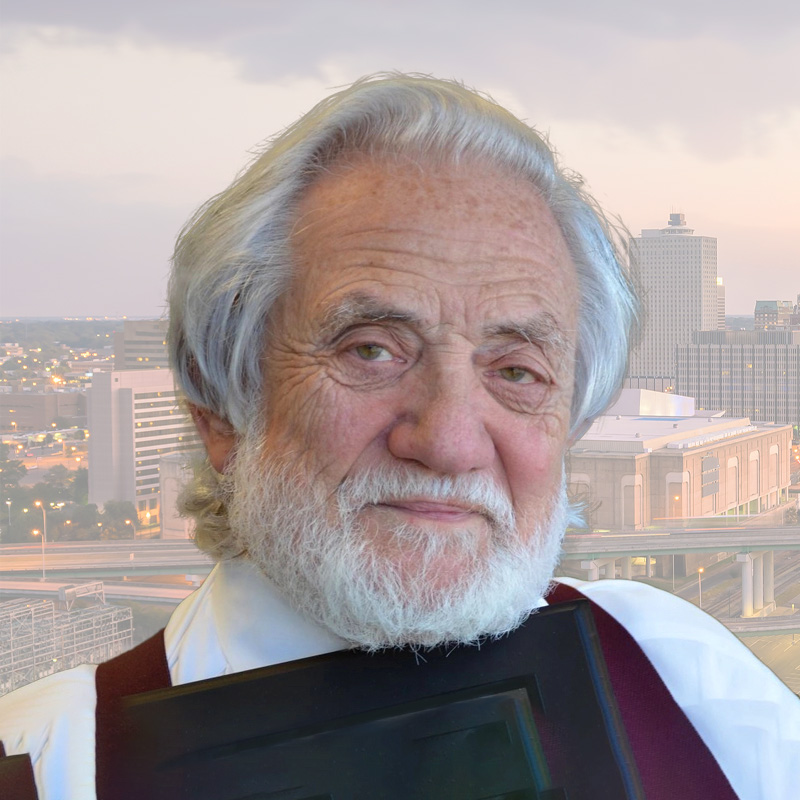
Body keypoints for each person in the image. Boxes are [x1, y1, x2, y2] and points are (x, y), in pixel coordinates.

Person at [1, 73, 797, 800]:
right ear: (221, 406)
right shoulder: (50, 762)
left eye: (516, 371)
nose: (450, 442)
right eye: (372, 350)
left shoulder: (679, 671)